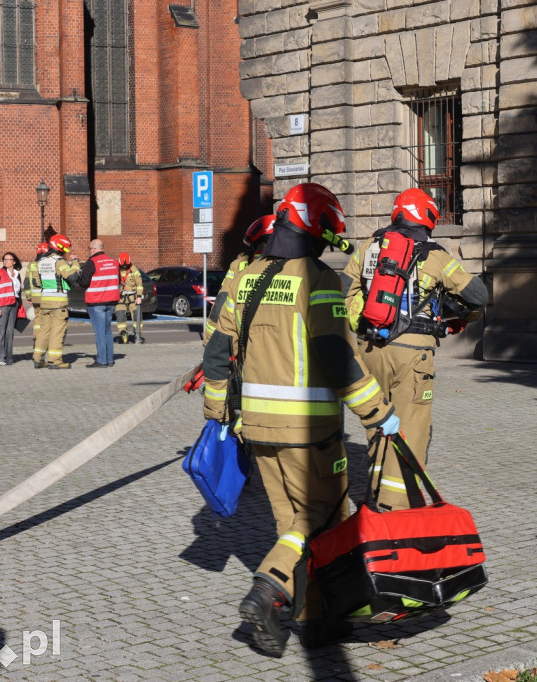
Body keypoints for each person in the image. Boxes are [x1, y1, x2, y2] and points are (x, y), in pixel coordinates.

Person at [201, 183, 400, 656]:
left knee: (290, 521)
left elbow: (214, 352)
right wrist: (378, 413)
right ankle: (269, 590)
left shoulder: (246, 277)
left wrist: (217, 415)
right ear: (317, 231)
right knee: (321, 522)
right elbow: (338, 360)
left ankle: (311, 620)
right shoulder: (320, 281)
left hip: (257, 430)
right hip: (310, 433)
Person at [341, 187, 487, 510]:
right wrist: (456, 319)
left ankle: (376, 491)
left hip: (370, 349)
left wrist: (361, 325)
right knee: (413, 425)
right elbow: (478, 296)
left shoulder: (369, 247)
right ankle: (396, 505)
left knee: (379, 422)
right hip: (413, 354)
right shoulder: (434, 255)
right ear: (428, 217)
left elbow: (346, 291)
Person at [204, 214, 275, 343]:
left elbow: (220, 305)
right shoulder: (298, 266)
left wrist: (209, 345)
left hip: (243, 344)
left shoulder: (240, 265)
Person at [32, 235, 80, 369]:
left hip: (45, 301)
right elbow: (71, 277)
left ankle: (38, 359)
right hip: (58, 303)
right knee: (57, 332)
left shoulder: (42, 261)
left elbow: (37, 281)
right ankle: (55, 360)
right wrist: (76, 263)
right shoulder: (59, 261)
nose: (67, 251)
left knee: (44, 331)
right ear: (61, 247)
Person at [78, 239, 120, 368]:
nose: (89, 251)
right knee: (107, 330)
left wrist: (79, 274)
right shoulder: (114, 262)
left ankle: (102, 360)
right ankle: (110, 359)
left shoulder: (92, 263)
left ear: (94, 249)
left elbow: (84, 283)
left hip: (97, 302)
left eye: (89, 249)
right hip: (111, 300)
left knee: (100, 332)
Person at [0, 251, 23, 365]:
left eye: (9, 259)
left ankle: (8, 358)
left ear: (14, 262)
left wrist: (19, 304)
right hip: (1, 306)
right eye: (5, 259)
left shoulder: (17, 274)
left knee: (9, 332)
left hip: (13, 305)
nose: (6, 261)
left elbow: (18, 291)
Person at [24, 242, 49, 356]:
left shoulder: (32, 265)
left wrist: (29, 296)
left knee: (37, 321)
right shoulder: (48, 264)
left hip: (35, 298)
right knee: (47, 321)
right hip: (47, 297)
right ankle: (44, 343)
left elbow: (27, 282)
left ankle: (36, 342)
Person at [115, 252, 144, 344]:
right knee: (120, 315)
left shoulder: (134, 270)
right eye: (122, 266)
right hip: (120, 297)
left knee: (137, 315)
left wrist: (139, 296)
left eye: (126, 266)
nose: (124, 268)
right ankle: (123, 334)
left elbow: (139, 284)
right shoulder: (116, 269)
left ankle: (137, 333)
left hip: (133, 297)